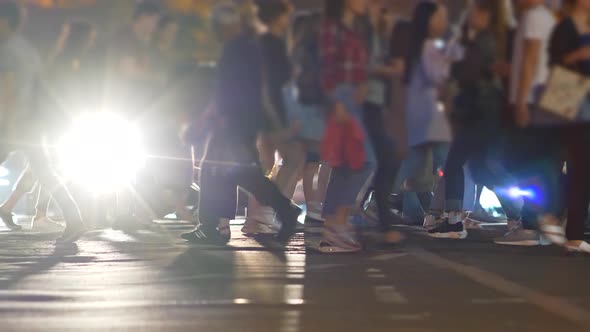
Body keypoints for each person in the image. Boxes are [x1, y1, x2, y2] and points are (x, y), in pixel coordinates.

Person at [181, 3, 300, 245]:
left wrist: (212, 117)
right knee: (234, 172)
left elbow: (229, 89)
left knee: (221, 171)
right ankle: (217, 225)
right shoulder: (247, 46)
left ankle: (214, 226)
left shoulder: (237, 48)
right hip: (242, 120)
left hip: (232, 121)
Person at [425, 0, 513, 239]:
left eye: (474, 10)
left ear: (486, 14)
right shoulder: (491, 39)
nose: (469, 14)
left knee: (457, 164)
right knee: (481, 168)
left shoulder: (483, 41)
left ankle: (455, 221)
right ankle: (520, 214)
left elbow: (467, 73)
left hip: (479, 111)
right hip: (483, 112)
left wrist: (454, 69)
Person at [0, 20, 98, 231]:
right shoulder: (42, 56)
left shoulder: (16, 50)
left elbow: (11, 90)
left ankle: (69, 219)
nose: (92, 44)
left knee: (44, 170)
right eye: (90, 40)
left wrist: (10, 124)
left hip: (27, 120)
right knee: (45, 170)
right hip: (40, 122)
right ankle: (73, 220)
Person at [242, 0, 306, 235]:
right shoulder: (271, 43)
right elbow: (269, 84)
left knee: (267, 164)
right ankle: (271, 212)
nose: (289, 18)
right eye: (286, 14)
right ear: (277, 16)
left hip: (263, 111)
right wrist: (278, 119)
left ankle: (261, 217)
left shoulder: (264, 42)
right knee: (294, 157)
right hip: (272, 112)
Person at [317, 0, 376, 253]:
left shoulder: (352, 29)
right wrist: (335, 101)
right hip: (342, 99)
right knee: (363, 161)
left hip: (352, 98)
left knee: (346, 163)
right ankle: (336, 227)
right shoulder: (334, 29)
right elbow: (325, 66)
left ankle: (334, 228)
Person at [496, 0, 556, 246]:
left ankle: (532, 224)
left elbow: (531, 57)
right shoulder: (545, 18)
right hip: (542, 97)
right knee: (538, 160)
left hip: (531, 98)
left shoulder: (534, 17)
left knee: (520, 159)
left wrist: (520, 100)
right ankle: (543, 221)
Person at [538, 0, 590, 252]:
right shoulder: (565, 27)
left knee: (581, 169)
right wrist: (579, 55)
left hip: (584, 101)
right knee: (570, 163)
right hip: (569, 98)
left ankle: (571, 230)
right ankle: (561, 223)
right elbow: (555, 61)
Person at [401, 1, 458, 222]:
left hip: (420, 116)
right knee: (450, 161)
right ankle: (445, 214)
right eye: (440, 18)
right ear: (429, 21)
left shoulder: (417, 45)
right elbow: (440, 80)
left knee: (413, 164)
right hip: (431, 117)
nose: (444, 23)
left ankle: (420, 210)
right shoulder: (429, 47)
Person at [361, 0, 405, 231]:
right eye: (383, 10)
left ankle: (376, 213)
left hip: (375, 104)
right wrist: (390, 71)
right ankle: (379, 216)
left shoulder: (379, 36)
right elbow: (359, 66)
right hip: (363, 103)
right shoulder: (363, 32)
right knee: (381, 158)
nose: (387, 16)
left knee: (384, 158)